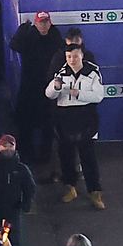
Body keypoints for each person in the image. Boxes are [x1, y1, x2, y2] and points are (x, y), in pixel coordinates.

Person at [46, 31, 105, 208]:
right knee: (66, 156)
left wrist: (79, 93)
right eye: (69, 56)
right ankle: (70, 187)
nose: (72, 60)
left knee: (88, 157)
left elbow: (99, 96)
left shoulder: (93, 72)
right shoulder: (60, 73)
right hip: (64, 119)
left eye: (75, 56)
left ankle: (95, 192)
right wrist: (56, 88)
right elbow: (48, 94)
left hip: (86, 118)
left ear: (82, 55)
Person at [8, 9, 65, 173]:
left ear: (50, 22)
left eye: (46, 21)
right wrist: (22, 28)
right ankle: (26, 154)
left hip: (49, 87)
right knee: (26, 123)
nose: (43, 25)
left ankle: (45, 156)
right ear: (35, 23)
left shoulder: (55, 38)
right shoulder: (28, 36)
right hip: (29, 86)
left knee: (48, 124)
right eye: (40, 22)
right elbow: (13, 44)